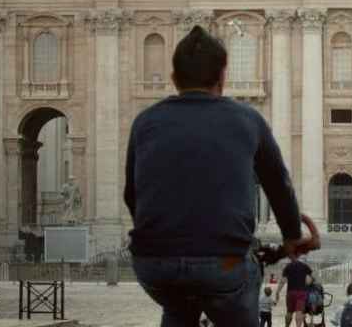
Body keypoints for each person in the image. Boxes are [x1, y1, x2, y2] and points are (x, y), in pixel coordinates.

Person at [125, 25, 319, 327]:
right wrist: (292, 235)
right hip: (222, 261)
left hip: (153, 263)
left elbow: (132, 195)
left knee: (177, 305)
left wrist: (162, 235)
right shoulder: (247, 118)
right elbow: (278, 185)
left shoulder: (145, 121)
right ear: (222, 76)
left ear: (174, 78)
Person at [277, 256, 314, 327]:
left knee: (289, 312)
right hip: (301, 292)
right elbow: (310, 279)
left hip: (290, 292)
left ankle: (287, 326)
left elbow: (283, 281)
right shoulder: (305, 266)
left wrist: (278, 292)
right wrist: (306, 283)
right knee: (299, 312)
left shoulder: (288, 266)